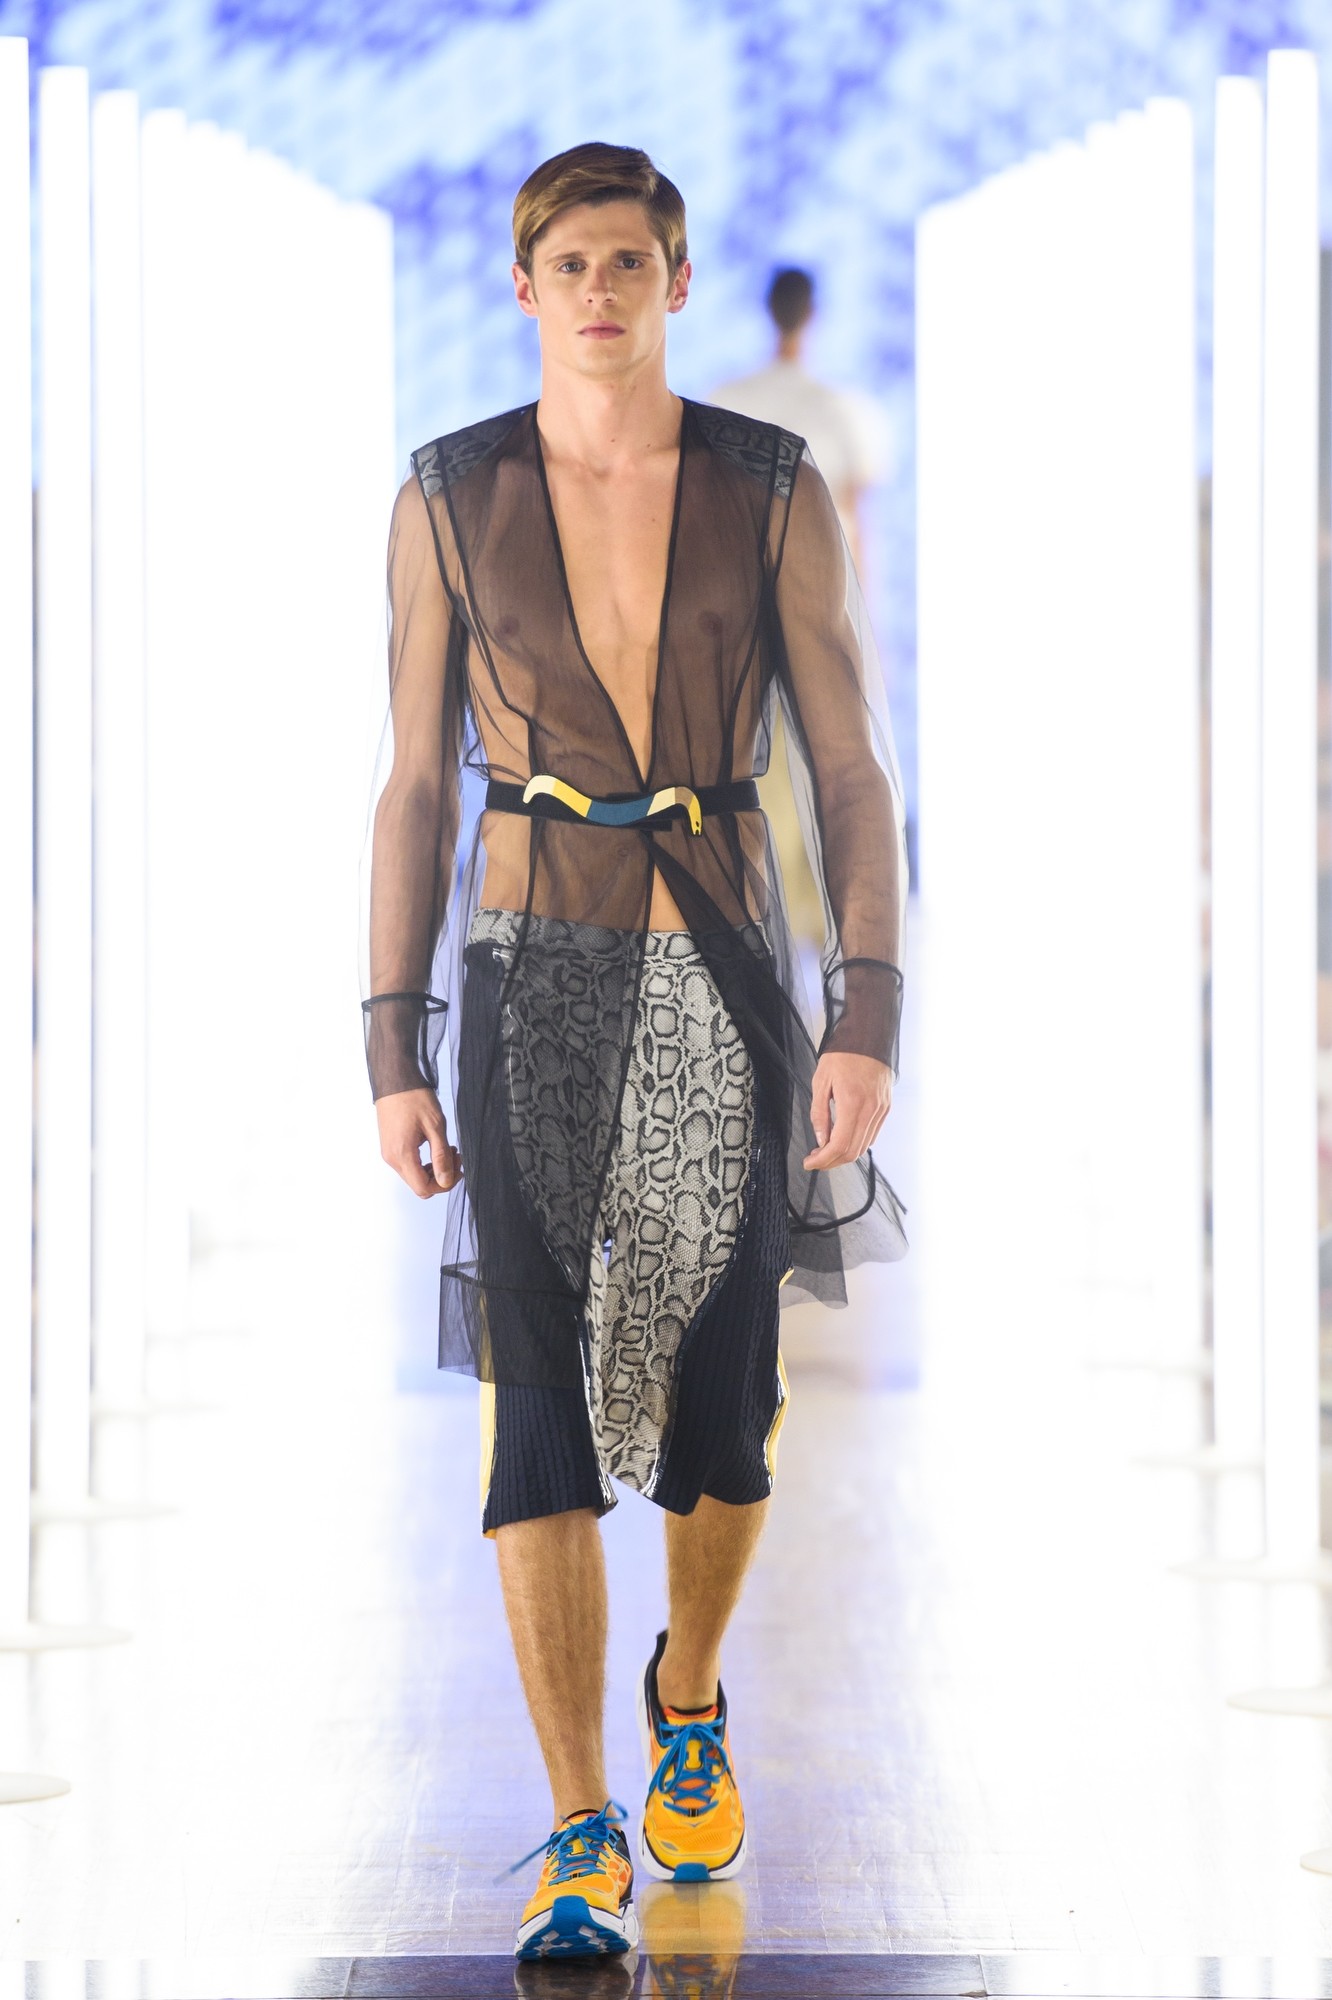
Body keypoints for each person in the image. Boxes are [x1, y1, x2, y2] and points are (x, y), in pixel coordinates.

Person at [359, 142, 910, 1966]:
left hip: (723, 966)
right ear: (522, 287)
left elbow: (849, 766)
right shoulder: (449, 495)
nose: (597, 291)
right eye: (568, 264)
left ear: (675, 282)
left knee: (724, 1401)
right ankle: (578, 1824)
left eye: (627, 262)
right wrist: (391, 1041)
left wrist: (868, 1012)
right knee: (532, 1393)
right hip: (528, 968)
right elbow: (414, 782)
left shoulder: (769, 488)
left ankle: (688, 1696)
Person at [710, 266, 892, 573]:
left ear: (768, 308)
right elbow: (857, 524)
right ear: (812, 314)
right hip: (823, 581)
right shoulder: (847, 413)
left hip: (745, 582)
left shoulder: (724, 404)